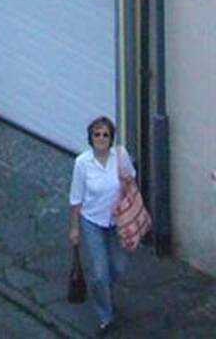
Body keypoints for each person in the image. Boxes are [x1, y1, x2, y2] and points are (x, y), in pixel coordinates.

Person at [69, 116, 134, 332]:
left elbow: (131, 182)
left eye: (105, 134)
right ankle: (105, 315)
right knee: (99, 273)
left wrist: (127, 185)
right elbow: (76, 198)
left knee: (119, 266)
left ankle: (104, 288)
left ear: (111, 138)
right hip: (92, 222)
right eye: (97, 134)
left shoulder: (121, 156)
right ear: (91, 137)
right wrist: (74, 228)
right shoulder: (82, 163)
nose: (101, 138)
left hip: (117, 222)